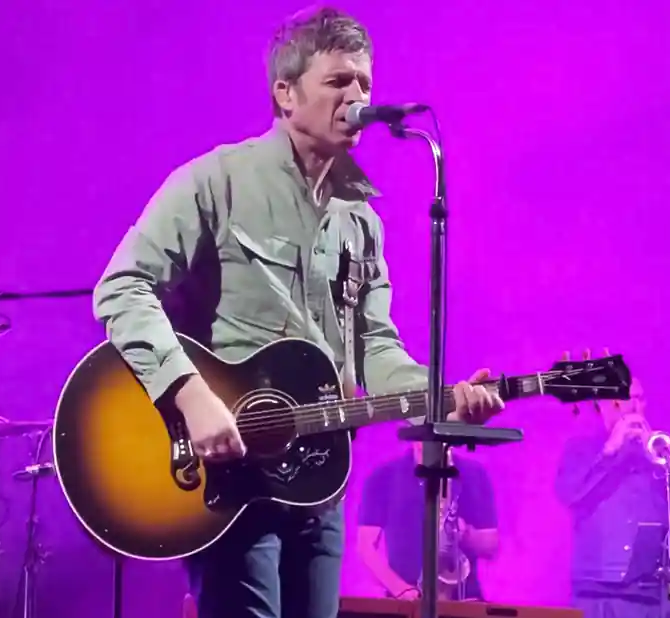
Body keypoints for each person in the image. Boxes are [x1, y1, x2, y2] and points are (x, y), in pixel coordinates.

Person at [92, 7, 503, 618]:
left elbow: (375, 349)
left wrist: (440, 391)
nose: (358, 96)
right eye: (339, 81)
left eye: (365, 82)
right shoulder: (216, 180)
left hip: (318, 479)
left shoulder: (361, 220)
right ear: (285, 93)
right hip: (229, 480)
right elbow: (121, 286)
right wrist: (191, 395)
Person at [555, 379, 670, 618]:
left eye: (640, 398)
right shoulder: (579, 449)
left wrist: (662, 461)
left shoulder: (662, 450)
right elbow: (568, 495)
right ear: (602, 405)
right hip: (595, 591)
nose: (633, 407)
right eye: (624, 397)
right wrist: (609, 453)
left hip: (650, 592)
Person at [356, 438, 499, 601]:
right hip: (408, 600)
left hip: (465, 599)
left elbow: (490, 545)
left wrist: (464, 534)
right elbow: (365, 547)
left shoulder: (473, 473)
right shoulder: (384, 475)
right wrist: (401, 589)